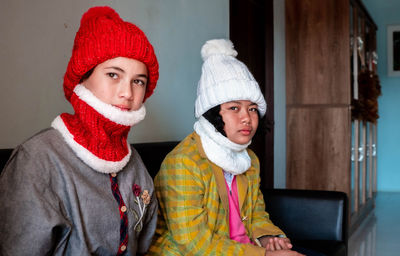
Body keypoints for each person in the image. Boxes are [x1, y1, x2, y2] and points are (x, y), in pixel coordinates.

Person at [0, 6, 159, 255]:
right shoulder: (36, 161)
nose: (127, 93)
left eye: (138, 81)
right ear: (82, 79)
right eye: (113, 74)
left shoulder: (135, 163)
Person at [147, 39, 304, 256]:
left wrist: (268, 237)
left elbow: (256, 213)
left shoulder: (250, 160)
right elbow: (195, 245)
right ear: (212, 113)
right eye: (234, 108)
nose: (247, 118)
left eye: (252, 109)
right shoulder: (184, 162)